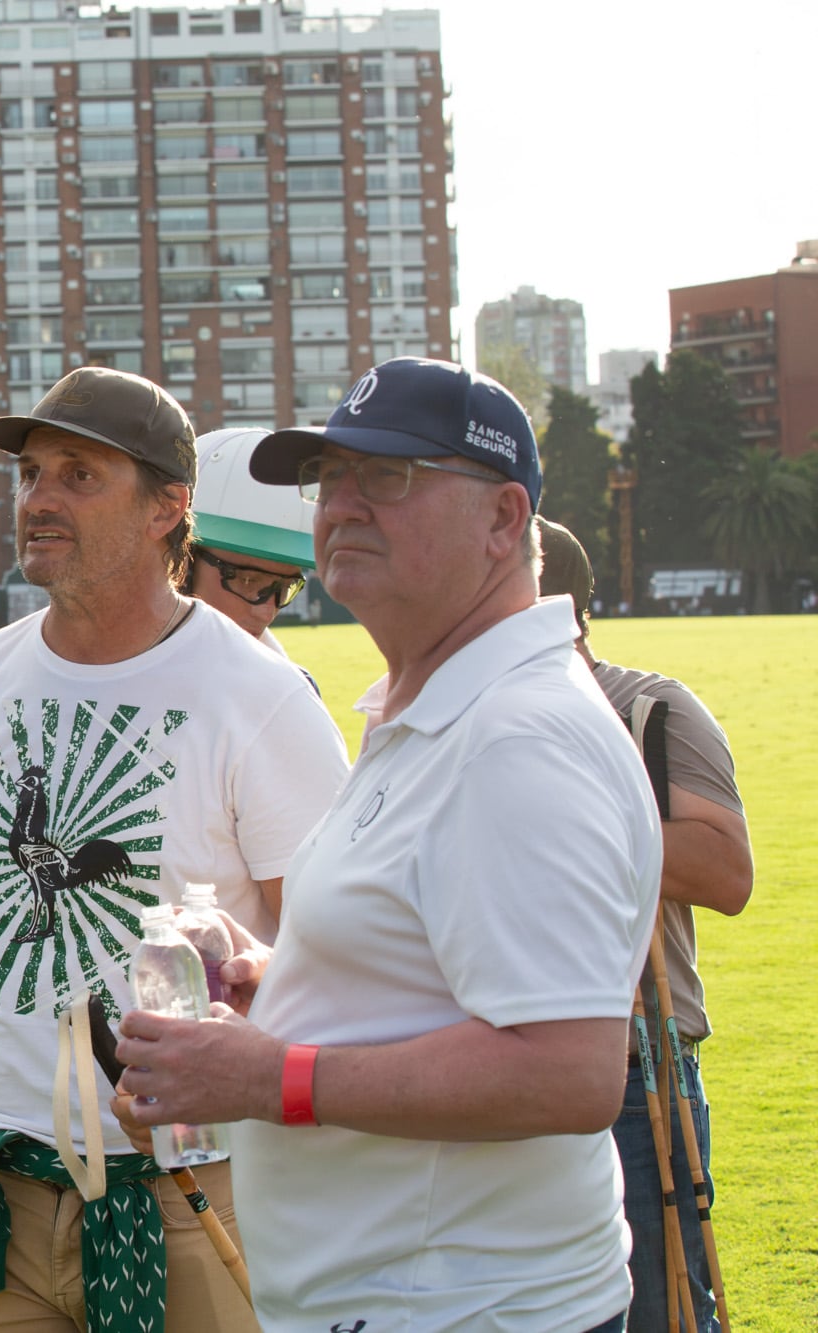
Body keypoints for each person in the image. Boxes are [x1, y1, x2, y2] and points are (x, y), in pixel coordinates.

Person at [116, 357, 665, 1332]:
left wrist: (265, 1075)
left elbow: (563, 1068)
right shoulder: (435, 706)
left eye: (390, 477)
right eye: (330, 479)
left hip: (466, 1308)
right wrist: (279, 980)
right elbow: (428, 977)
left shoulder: (514, 736)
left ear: (504, 520)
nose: (342, 505)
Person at [0, 364, 349, 1333]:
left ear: (165, 509)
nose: (40, 499)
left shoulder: (259, 699)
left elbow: (340, 962)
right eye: (32, 473)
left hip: (194, 1191)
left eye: (78, 475)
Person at [538, 516, 752, 1333]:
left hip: (639, 1068)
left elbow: (725, 871)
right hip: (495, 1069)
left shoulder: (650, 710)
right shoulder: (457, 719)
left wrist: (565, 813)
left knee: (663, 1308)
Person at [182, 427, 318, 650]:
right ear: (181, 563)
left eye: (285, 588)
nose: (266, 613)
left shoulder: (285, 683)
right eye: (247, 580)